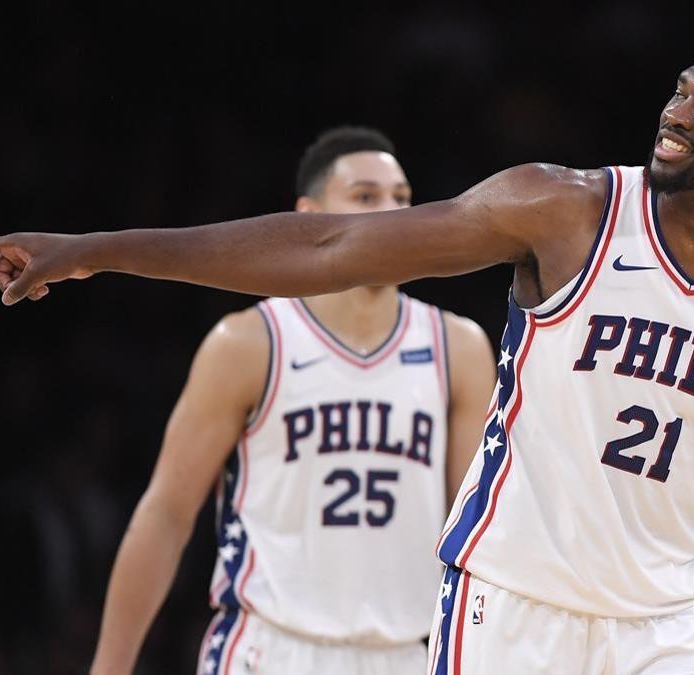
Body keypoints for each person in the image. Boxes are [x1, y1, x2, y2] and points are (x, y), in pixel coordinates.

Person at [0, 11, 694, 674]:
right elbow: (333, 242)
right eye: (683, 91)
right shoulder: (563, 210)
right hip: (511, 609)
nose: (679, 111)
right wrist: (98, 251)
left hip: (667, 629)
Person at [85, 127, 496, 675]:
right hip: (269, 647)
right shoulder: (251, 342)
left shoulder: (458, 347)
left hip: (403, 653)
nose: (393, 213)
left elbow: (474, 535)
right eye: (366, 196)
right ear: (308, 216)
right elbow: (165, 514)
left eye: (402, 199)